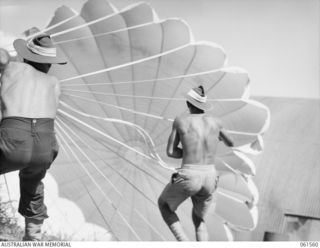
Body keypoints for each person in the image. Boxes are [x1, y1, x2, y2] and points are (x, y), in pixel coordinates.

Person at [0, 33, 67, 241]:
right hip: (46, 141)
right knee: (33, 182)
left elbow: (2, 56)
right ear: (49, 63)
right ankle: (33, 237)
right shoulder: (54, 82)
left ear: (26, 57)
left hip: (15, 135)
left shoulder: (13, 69)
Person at [158, 85, 234, 241]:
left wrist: (188, 152)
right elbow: (231, 142)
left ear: (188, 103)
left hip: (189, 175)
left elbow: (171, 152)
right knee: (199, 219)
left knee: (164, 205)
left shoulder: (181, 121)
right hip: (210, 177)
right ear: (204, 105)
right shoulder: (216, 122)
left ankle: (183, 242)